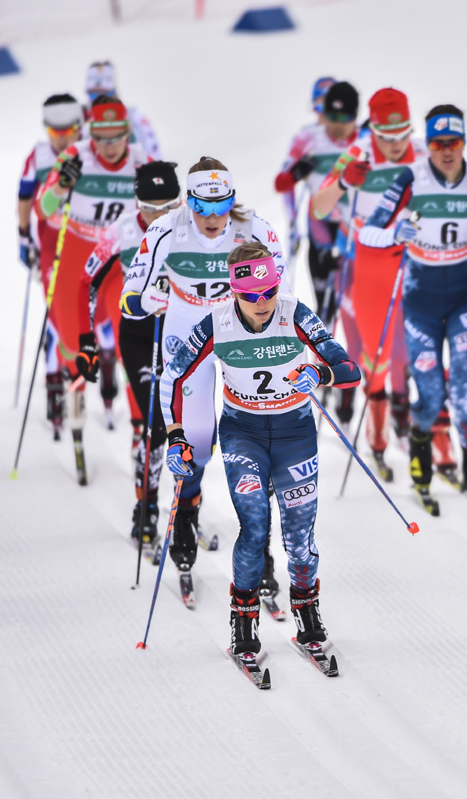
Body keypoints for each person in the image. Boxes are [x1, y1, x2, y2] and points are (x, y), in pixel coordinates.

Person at [160, 241, 361, 660]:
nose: (263, 301)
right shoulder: (215, 323)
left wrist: (320, 371)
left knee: (299, 538)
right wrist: (176, 434)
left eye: (269, 290)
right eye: (251, 295)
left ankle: (307, 616)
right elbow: (173, 378)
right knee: (254, 526)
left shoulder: (294, 312)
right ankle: (243, 621)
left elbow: (349, 369)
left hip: (295, 433)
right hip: (243, 433)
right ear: (234, 292)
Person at [122, 157, 286, 580]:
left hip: (235, 330)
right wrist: (148, 301)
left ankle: (260, 544)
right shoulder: (166, 228)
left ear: (232, 199)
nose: (213, 218)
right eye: (202, 206)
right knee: (195, 438)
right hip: (185, 330)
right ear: (188, 200)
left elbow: (276, 292)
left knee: (254, 433)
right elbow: (129, 298)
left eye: (222, 205)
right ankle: (185, 510)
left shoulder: (255, 230)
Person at [357, 103, 467, 505]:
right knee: (430, 396)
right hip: (421, 299)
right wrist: (396, 233)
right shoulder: (411, 178)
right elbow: (368, 233)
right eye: (437, 143)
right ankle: (419, 447)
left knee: (463, 396)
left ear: (464, 142)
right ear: (427, 145)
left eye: (454, 142)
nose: (446, 150)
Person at [312, 87, 428, 474]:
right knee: (375, 355)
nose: (396, 146)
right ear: (373, 129)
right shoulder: (358, 153)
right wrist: (343, 183)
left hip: (415, 260)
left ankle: (408, 418)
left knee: (411, 349)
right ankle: (377, 437)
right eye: (387, 137)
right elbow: (319, 206)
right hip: (367, 262)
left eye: (403, 136)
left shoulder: (424, 153)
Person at [35, 95, 152, 442]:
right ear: (91, 135)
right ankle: (74, 402)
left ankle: (139, 426)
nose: (110, 146)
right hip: (77, 259)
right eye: (102, 138)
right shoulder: (76, 156)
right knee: (73, 345)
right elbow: (43, 209)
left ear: (127, 133)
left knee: (130, 340)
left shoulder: (141, 162)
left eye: (117, 137)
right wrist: (60, 186)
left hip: (118, 262)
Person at [76, 161, 181, 544]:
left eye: (169, 207)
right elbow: (87, 281)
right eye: (150, 209)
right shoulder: (120, 231)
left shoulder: (192, 226)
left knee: (191, 430)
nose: (159, 217)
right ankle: (147, 506)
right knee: (153, 426)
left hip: (184, 338)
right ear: (136, 202)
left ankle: (187, 509)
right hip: (138, 334)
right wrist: (87, 341)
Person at [18, 93, 84, 439]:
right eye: (53, 131)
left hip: (85, 243)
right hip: (51, 243)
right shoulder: (39, 155)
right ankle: (55, 382)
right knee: (56, 315)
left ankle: (91, 367)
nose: (60, 138)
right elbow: (25, 196)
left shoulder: (89, 152)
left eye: (68, 130)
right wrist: (23, 235)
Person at [275, 80, 360, 320]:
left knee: (355, 308)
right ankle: (326, 356)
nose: (332, 121)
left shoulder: (362, 138)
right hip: (320, 232)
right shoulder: (307, 139)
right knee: (326, 308)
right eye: (321, 109)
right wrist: (296, 173)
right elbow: (282, 184)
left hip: (353, 232)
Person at [83, 61, 161, 160]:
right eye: (93, 94)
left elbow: (154, 151)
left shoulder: (134, 116)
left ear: (114, 92)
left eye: (106, 94)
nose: (100, 101)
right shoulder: (79, 116)